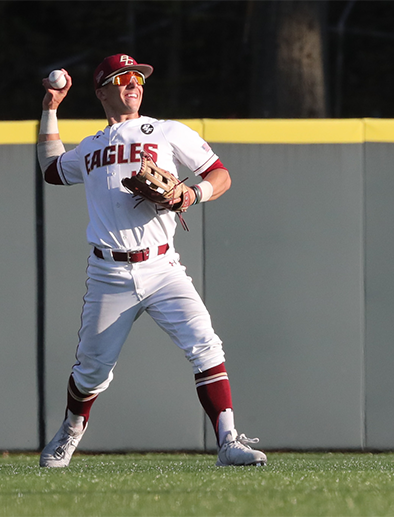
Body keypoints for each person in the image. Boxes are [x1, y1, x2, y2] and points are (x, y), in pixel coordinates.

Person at [36, 54, 266, 468]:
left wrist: (192, 194)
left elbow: (220, 174)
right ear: (102, 90)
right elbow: (51, 169)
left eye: (138, 78)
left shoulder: (166, 131)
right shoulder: (89, 146)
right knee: (91, 372)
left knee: (205, 344)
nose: (133, 84)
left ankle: (229, 440)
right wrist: (51, 108)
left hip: (162, 268)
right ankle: (70, 430)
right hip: (109, 272)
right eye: (123, 78)